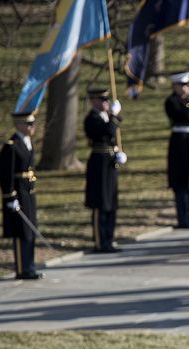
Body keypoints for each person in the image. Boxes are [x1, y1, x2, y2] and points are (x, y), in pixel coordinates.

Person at [0, 112, 41, 279]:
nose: (32, 127)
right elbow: (5, 174)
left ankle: (30, 266)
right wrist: (10, 197)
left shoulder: (28, 142)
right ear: (18, 125)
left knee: (30, 229)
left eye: (33, 124)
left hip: (29, 192)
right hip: (18, 192)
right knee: (21, 231)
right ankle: (22, 269)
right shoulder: (12, 145)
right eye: (28, 124)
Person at [84, 87, 125, 253]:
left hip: (109, 162)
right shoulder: (92, 119)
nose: (106, 103)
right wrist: (113, 117)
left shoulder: (107, 117)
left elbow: (112, 136)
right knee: (100, 202)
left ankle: (109, 238)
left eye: (107, 100)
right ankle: (100, 241)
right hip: (99, 163)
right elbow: (106, 131)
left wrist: (118, 152)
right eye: (102, 100)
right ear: (94, 101)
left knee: (111, 201)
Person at [165, 71, 189, 229]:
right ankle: (183, 216)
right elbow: (187, 117)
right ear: (174, 86)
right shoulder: (171, 101)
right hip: (180, 142)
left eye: (187, 85)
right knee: (182, 180)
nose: (186, 88)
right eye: (182, 85)